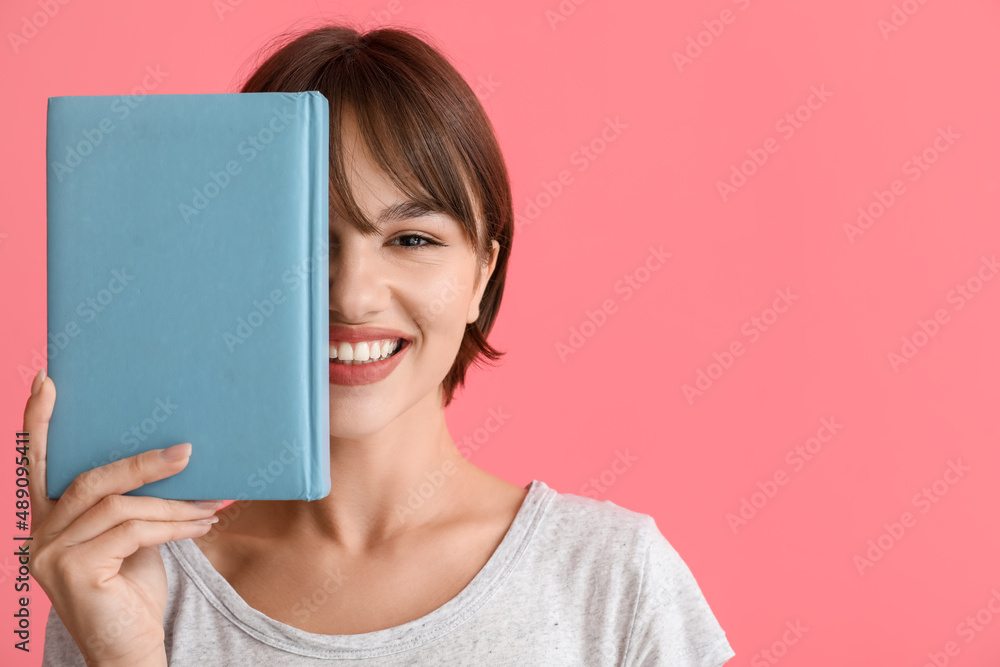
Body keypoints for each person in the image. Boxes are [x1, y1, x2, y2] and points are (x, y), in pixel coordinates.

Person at [27, 24, 735, 666]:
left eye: (412, 239)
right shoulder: (123, 579)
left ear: (482, 273)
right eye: (306, 241)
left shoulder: (613, 578)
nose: (353, 294)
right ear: (230, 263)